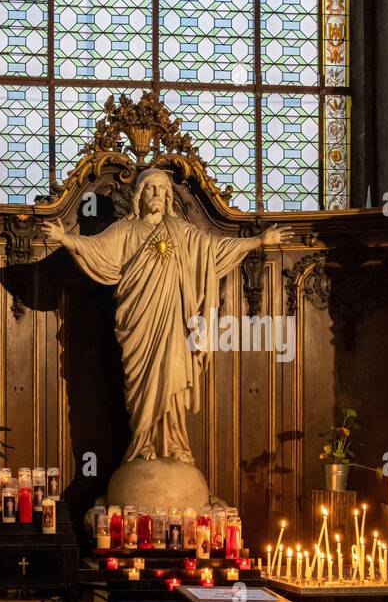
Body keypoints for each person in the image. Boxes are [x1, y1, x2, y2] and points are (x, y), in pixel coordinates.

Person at [44, 168, 292, 462]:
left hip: (174, 324)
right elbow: (95, 249)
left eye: (162, 190)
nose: (157, 195)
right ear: (139, 195)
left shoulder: (182, 232)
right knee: (141, 386)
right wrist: (64, 238)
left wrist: (259, 241)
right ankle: (143, 442)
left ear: (169, 196)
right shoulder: (125, 230)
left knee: (173, 383)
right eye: (151, 189)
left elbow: (214, 249)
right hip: (140, 327)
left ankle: (174, 443)